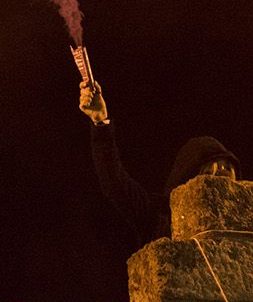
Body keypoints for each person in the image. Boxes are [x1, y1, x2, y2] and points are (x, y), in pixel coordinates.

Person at [78, 79, 237, 244]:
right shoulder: (159, 215)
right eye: (212, 172)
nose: (221, 175)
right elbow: (115, 182)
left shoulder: (244, 222)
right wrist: (100, 122)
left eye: (227, 169)